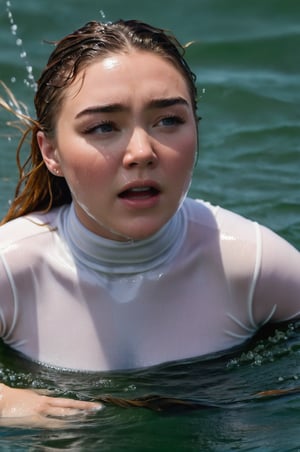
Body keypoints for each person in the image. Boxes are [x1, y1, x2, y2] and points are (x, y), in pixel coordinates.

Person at [0, 19, 299, 425]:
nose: (141, 152)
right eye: (103, 127)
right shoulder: (13, 269)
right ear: (51, 152)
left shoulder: (251, 263)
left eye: (169, 121)